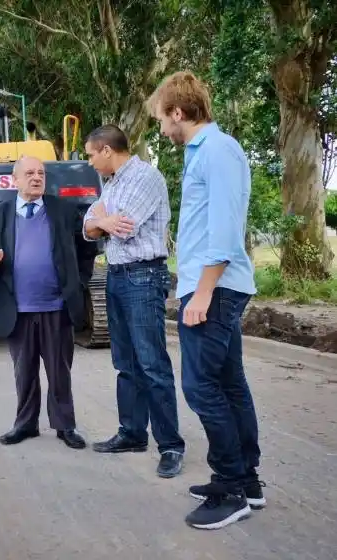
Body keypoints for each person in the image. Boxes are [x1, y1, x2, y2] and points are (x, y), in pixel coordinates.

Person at [148, 70, 260, 530]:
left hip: (214, 286)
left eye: (161, 119)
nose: (160, 128)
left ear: (178, 112)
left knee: (199, 387)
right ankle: (247, 482)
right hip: (211, 283)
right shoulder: (204, 153)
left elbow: (226, 228)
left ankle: (230, 486)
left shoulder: (216, 150)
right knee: (229, 383)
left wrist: (205, 290)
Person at [0, 155, 99, 449]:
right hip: (17, 308)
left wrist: (79, 282)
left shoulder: (63, 210)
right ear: (14, 180)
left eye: (41, 173)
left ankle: (65, 426)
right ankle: (26, 424)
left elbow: (87, 247)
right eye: (29, 173)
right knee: (24, 371)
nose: (37, 177)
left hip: (57, 306)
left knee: (59, 371)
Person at [82, 124, 185, 479]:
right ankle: (132, 433)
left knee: (151, 363)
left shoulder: (145, 177)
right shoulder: (111, 184)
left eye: (91, 153)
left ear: (107, 150)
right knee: (125, 362)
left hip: (143, 276)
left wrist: (103, 220)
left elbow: (123, 226)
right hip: (116, 276)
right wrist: (101, 220)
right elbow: (87, 225)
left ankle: (170, 445)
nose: (90, 161)